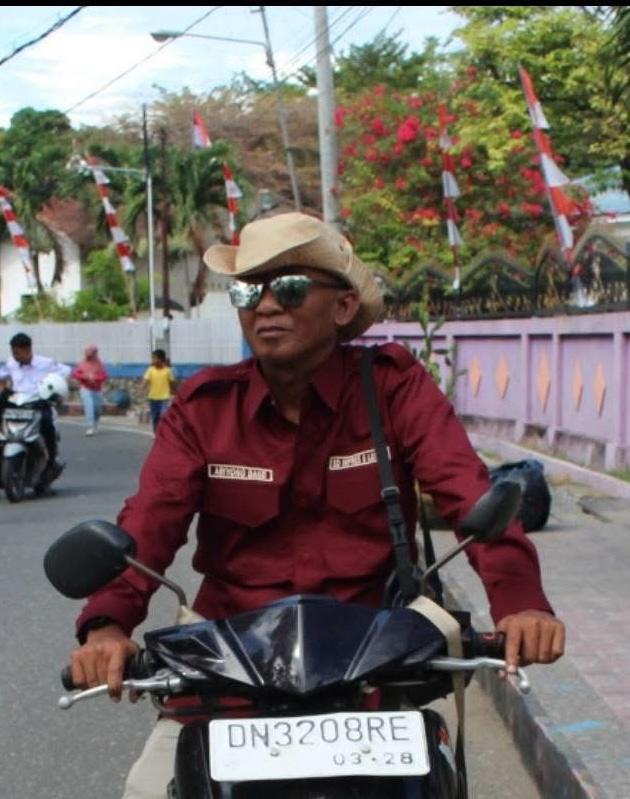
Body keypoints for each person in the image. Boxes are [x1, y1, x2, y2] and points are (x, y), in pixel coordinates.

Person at [68, 213, 565, 799]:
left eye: (290, 288)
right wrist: (106, 627)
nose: (266, 306)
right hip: (229, 665)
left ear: (344, 306)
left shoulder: (393, 388)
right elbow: (150, 520)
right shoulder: (204, 408)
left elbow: (469, 494)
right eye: (248, 291)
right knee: (148, 790)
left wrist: (521, 603)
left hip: (376, 663)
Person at [0, 331, 71, 473]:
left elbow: (66, 371)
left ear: (27, 349)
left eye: (17, 353)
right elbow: (2, 375)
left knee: (47, 425)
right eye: (13, 352)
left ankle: (50, 462)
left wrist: (53, 386)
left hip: (38, 403)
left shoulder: (46, 363)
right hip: (16, 403)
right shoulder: (11, 363)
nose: (15, 356)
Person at [71, 345, 108, 436]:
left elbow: (104, 376)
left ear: (95, 354)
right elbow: (75, 374)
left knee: (97, 409)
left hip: (97, 389)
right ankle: (90, 427)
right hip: (85, 388)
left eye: (91, 354)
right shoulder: (82, 363)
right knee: (89, 405)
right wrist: (86, 377)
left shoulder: (99, 364)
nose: (89, 356)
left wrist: (95, 378)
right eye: (87, 354)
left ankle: (95, 424)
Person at [142, 349, 175, 432]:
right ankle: (156, 433)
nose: (152, 360)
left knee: (163, 416)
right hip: (153, 397)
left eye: (154, 358)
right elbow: (145, 380)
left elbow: (172, 383)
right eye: (152, 358)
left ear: (160, 359)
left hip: (165, 398)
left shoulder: (168, 371)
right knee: (155, 417)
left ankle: (164, 432)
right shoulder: (150, 370)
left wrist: (174, 393)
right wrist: (143, 387)